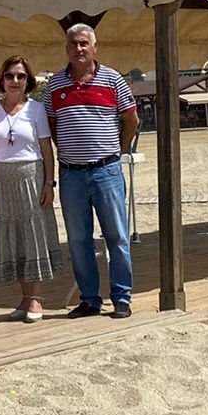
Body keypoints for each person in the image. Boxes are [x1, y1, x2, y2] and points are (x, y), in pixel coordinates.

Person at [45, 24, 139, 318]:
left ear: (94, 47)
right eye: (73, 44)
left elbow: (132, 120)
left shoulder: (113, 80)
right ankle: (89, 299)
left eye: (84, 43)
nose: (79, 48)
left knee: (117, 236)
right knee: (77, 239)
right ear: (67, 49)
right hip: (71, 174)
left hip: (106, 171)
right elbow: (52, 127)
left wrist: (117, 152)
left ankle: (122, 297)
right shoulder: (54, 85)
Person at [0, 55, 59, 323]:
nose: (15, 81)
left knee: (33, 234)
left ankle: (36, 299)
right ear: (1, 79)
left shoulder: (35, 109)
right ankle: (25, 299)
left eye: (20, 76)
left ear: (28, 81)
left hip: (31, 174)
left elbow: (46, 149)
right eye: (10, 75)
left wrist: (49, 182)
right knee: (13, 234)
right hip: (3, 179)